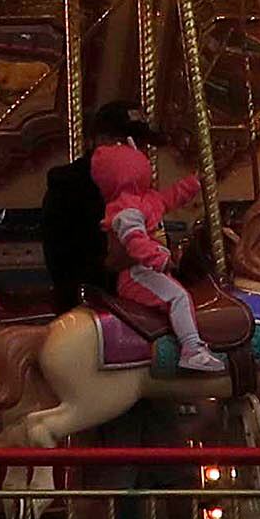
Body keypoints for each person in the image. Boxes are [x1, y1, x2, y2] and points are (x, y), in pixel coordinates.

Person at [87, 139, 223, 374]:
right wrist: (157, 257)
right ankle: (192, 350)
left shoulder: (144, 200)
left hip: (148, 269)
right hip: (137, 274)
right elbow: (135, 242)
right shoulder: (125, 209)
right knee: (178, 297)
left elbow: (170, 197)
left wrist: (194, 183)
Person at [40, 103, 156, 315]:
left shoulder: (124, 184)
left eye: (141, 145)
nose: (138, 152)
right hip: (91, 304)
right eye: (129, 143)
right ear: (102, 142)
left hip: (120, 296)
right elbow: (75, 264)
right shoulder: (73, 188)